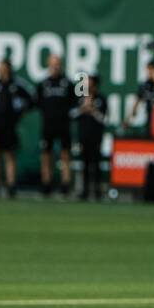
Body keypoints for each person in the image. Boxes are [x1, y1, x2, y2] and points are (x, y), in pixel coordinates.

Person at [0, 58, 32, 198]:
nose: (1, 70)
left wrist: (20, 114)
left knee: (9, 154)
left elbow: (30, 98)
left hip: (10, 125)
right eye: (0, 68)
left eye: (4, 68)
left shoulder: (16, 84)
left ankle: (11, 184)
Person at [37, 54, 76, 198]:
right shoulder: (43, 83)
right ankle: (46, 183)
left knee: (65, 154)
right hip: (48, 124)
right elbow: (38, 102)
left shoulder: (68, 82)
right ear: (48, 65)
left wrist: (83, 77)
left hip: (64, 124)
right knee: (46, 155)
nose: (56, 66)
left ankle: (65, 184)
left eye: (58, 63)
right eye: (53, 64)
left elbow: (80, 97)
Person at [76, 73, 108, 201]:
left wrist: (93, 110)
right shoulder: (80, 98)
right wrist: (83, 109)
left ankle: (97, 191)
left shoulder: (101, 99)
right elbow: (72, 114)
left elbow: (104, 119)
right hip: (83, 136)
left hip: (96, 137)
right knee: (84, 164)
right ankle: (84, 191)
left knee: (96, 164)